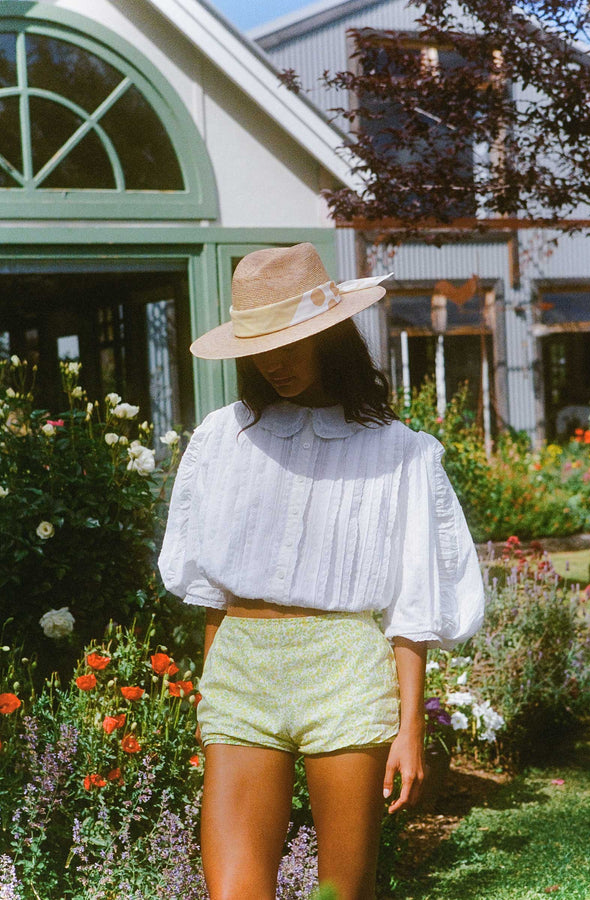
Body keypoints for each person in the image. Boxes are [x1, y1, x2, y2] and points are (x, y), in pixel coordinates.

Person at [158, 242, 484, 900]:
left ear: (331, 336)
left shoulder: (401, 454)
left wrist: (411, 730)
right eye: (260, 344)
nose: (272, 360)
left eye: (290, 340)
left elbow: (415, 599)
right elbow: (209, 591)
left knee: (344, 890)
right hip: (240, 671)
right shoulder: (222, 439)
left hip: (345, 669)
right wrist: (210, 689)